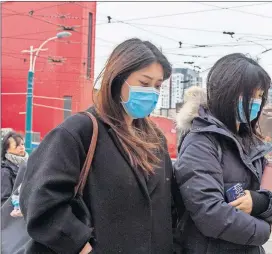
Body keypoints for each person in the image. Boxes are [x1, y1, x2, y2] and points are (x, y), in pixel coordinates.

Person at [20, 38, 174, 254]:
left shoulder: (155, 139)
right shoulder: (79, 130)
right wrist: (81, 246)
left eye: (158, 86)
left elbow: (167, 204)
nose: (152, 93)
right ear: (118, 79)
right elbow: (42, 202)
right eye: (144, 83)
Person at [174, 54, 272, 254]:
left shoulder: (253, 146)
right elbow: (210, 213)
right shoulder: (200, 142)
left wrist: (260, 202)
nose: (254, 102)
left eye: (259, 96)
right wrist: (265, 229)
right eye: (248, 96)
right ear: (224, 93)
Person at [1, 131, 28, 205]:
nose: (22, 147)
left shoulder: (30, 165)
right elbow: (4, 201)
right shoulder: (5, 171)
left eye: (22, 144)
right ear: (7, 149)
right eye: (17, 145)